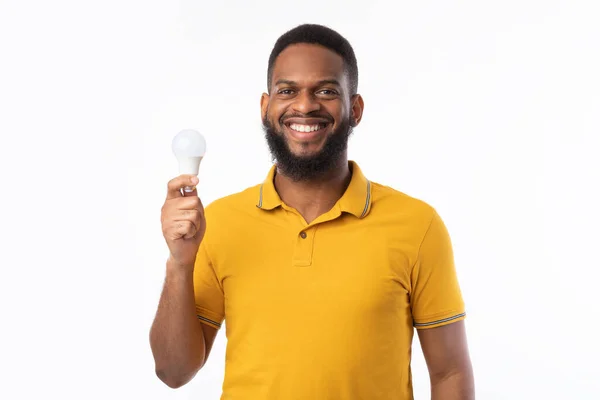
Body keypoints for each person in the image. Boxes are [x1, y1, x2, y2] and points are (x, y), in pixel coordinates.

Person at [150, 23, 475, 400]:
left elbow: (450, 372)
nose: (304, 105)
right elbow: (173, 372)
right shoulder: (219, 223)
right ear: (265, 106)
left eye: (325, 91)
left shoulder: (418, 226)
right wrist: (179, 263)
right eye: (287, 91)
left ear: (355, 108)